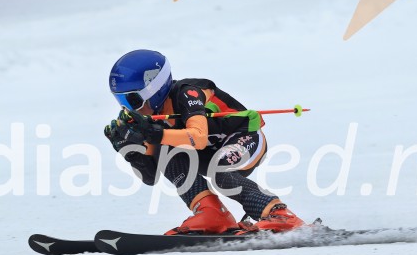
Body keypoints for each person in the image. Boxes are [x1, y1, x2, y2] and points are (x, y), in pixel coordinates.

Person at [103, 49, 305, 235]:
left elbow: (198, 138)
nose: (129, 109)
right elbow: (151, 176)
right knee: (167, 151)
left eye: (133, 100)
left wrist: (154, 134)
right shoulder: (148, 117)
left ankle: (279, 214)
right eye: (121, 101)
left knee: (220, 172)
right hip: (212, 151)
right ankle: (212, 213)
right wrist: (131, 153)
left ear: (155, 89)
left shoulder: (188, 93)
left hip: (245, 136)